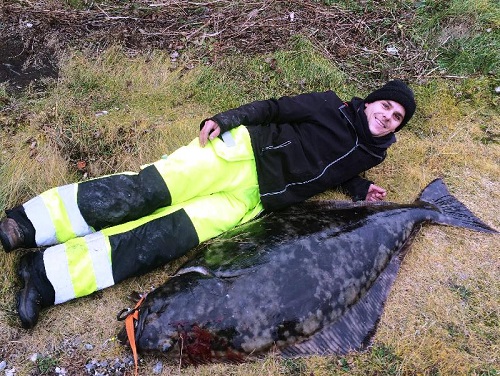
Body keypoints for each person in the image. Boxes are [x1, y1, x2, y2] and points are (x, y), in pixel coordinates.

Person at [0, 79, 416, 329]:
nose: (388, 117)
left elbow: (339, 171)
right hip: (238, 155)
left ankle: (44, 278)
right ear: (370, 100)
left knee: (160, 239)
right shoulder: (328, 104)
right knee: (144, 192)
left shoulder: (373, 152)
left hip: (249, 200)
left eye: (397, 117)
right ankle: (27, 223)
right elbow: (274, 108)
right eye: (386, 106)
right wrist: (227, 118)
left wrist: (360, 189)